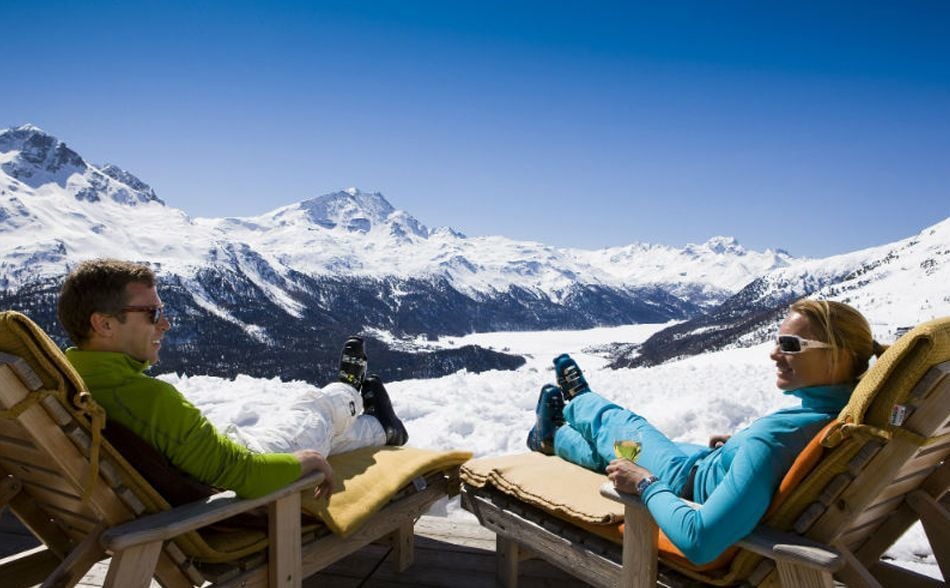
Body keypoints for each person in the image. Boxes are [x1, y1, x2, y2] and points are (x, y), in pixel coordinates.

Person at [527, 300, 885, 564]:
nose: (774, 354)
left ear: (838, 356)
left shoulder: (775, 440)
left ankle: (579, 401)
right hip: (705, 466)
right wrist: (738, 452)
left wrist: (645, 484)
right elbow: (771, 461)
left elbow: (700, 539)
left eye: (790, 346)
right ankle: (554, 437)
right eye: (777, 342)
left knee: (623, 429)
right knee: (612, 451)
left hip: (679, 481)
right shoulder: (840, 413)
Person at [57, 258, 408, 500]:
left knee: (314, 426)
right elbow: (242, 474)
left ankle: (381, 428)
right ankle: (349, 388)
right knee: (312, 408)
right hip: (236, 477)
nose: (164, 324)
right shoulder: (144, 397)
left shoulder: (67, 383)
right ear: (103, 324)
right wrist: (308, 462)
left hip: (211, 455)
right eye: (152, 314)